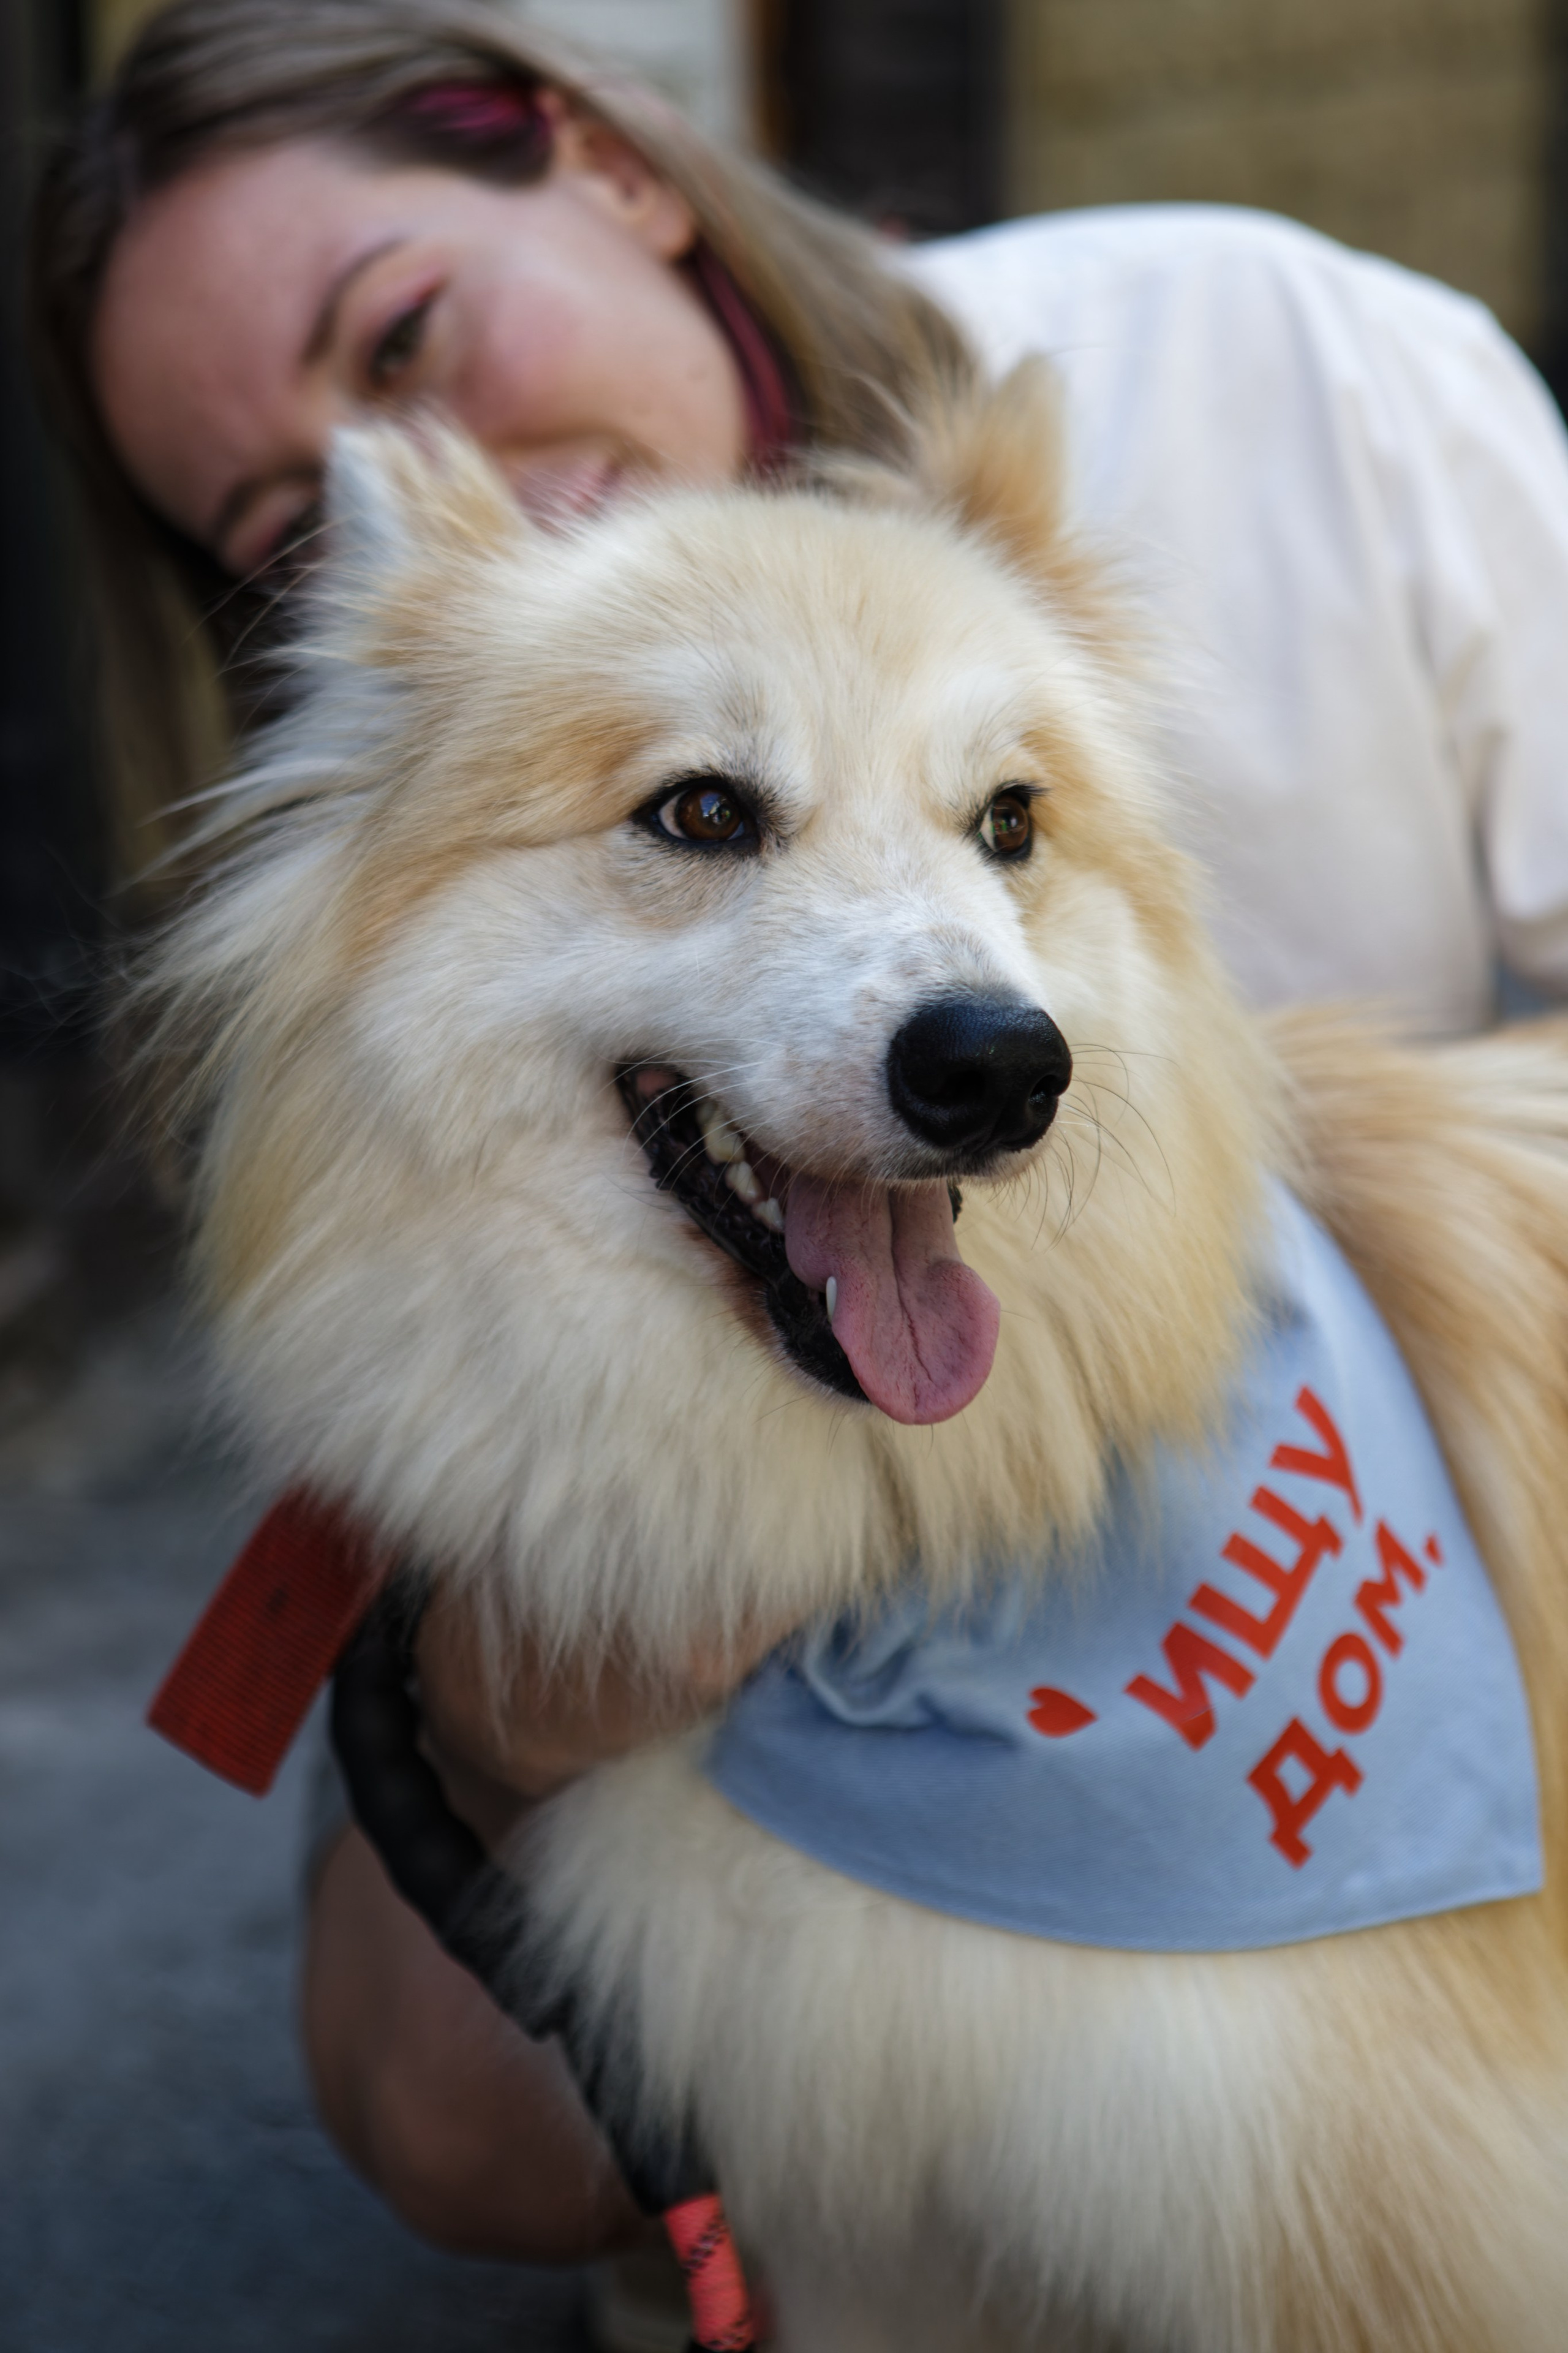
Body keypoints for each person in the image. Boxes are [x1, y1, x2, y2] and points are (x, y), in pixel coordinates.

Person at [29, 0, 1568, 2296]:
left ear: (611, 168)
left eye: (413, 333)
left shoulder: (1271, 358)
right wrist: (499, 1696)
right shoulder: (421, 827)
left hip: (1303, 1447)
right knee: (452, 2079)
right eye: (281, 515)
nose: (417, 472)